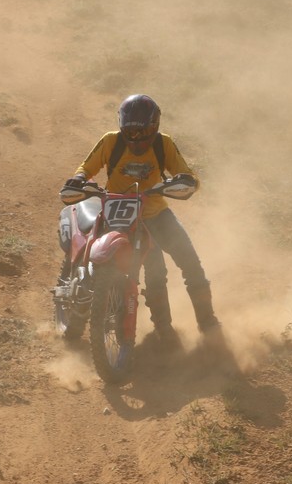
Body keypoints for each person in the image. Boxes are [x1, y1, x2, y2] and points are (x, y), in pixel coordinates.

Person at [62, 94, 219, 346]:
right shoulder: (111, 141)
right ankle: (162, 329)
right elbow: (86, 167)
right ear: (121, 126)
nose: (135, 138)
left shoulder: (163, 144)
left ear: (154, 126)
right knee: (149, 271)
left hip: (155, 214)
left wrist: (185, 181)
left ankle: (208, 324)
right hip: (118, 215)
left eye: (142, 132)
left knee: (189, 266)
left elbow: (186, 173)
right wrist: (79, 178)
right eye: (130, 132)